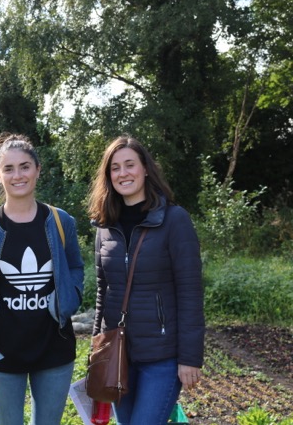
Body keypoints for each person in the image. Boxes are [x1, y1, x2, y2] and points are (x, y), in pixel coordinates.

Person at [0, 133, 85, 425]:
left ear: (37, 170)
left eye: (24, 166)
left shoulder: (61, 222)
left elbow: (75, 268)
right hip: (1, 355)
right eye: (8, 169)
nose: (17, 175)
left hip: (55, 351)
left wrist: (69, 300)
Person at [87, 135, 205, 425]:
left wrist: (190, 357)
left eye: (130, 165)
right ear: (108, 175)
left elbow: (190, 292)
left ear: (146, 170)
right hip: (118, 357)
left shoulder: (174, 220)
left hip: (161, 358)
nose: (123, 173)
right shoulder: (105, 225)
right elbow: (103, 292)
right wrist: (96, 350)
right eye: (115, 167)